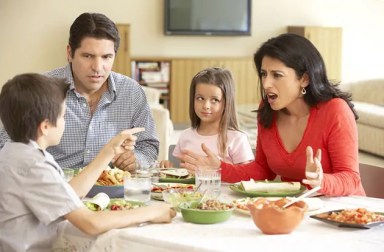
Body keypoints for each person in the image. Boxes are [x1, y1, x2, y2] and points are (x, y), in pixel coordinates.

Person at [0, 73, 176, 252]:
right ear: (45, 126)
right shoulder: (34, 166)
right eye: (63, 116)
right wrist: (151, 212)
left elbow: (68, 194)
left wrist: (109, 151)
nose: (65, 122)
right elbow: (90, 223)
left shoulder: (15, 153)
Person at [179, 33, 366, 196]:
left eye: (277, 75)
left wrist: (321, 180)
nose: (266, 83)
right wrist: (219, 168)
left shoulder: (336, 111)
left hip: (343, 212)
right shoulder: (267, 110)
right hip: (297, 210)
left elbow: (351, 178)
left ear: (304, 79)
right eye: (263, 73)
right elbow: (262, 170)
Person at [0, 12, 159, 172]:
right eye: (88, 56)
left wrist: (135, 159)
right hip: (53, 187)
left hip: (113, 190)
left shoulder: (131, 91)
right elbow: (7, 145)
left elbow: (149, 145)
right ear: (70, 53)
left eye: (106, 57)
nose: (97, 67)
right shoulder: (42, 88)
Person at [162, 67, 254, 168]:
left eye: (214, 100)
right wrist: (168, 168)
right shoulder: (185, 136)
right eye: (200, 98)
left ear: (227, 103)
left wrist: (215, 170)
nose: (206, 105)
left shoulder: (237, 139)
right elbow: (183, 174)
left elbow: (246, 176)